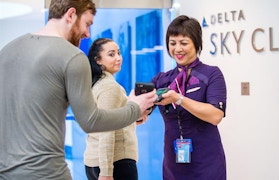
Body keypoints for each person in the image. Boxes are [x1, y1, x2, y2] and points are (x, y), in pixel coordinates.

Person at [0, 0, 157, 179]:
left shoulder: (7, 51)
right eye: (87, 24)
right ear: (71, 14)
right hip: (47, 173)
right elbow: (91, 121)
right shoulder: (72, 56)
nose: (87, 33)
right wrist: (135, 108)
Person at [151, 15, 227, 180]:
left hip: (206, 161)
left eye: (183, 43)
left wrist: (179, 99)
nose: (177, 49)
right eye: (172, 43)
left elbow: (215, 115)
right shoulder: (162, 79)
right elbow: (141, 109)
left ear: (196, 42)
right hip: (173, 162)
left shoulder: (212, 74)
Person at [84, 38, 145, 180]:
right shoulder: (109, 87)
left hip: (95, 162)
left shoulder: (94, 85)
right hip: (116, 163)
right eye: (111, 54)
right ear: (98, 60)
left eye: (119, 53)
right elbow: (107, 131)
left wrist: (131, 120)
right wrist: (106, 172)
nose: (118, 58)